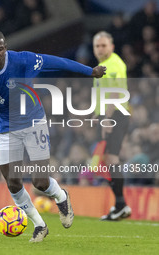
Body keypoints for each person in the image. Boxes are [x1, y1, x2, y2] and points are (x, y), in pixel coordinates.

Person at [0, 30, 106, 242]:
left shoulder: (22, 60)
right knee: (13, 182)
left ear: (5, 48)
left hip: (33, 123)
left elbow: (58, 62)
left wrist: (89, 71)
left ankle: (62, 197)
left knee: (39, 181)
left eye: (0, 48)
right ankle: (39, 225)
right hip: (3, 127)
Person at [92, 31, 132, 221]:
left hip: (116, 114)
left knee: (111, 158)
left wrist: (107, 118)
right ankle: (120, 205)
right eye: (97, 46)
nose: (100, 49)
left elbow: (115, 93)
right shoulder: (103, 65)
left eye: (104, 45)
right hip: (110, 115)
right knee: (107, 159)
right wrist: (97, 113)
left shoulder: (113, 64)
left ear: (112, 47)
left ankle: (121, 204)